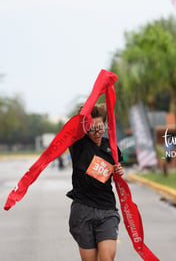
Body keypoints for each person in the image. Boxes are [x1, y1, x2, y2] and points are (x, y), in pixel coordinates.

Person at [67, 104, 125, 261]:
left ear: (105, 125)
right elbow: (73, 130)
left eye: (100, 127)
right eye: (91, 129)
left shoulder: (111, 148)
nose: (97, 133)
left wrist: (119, 171)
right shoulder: (79, 145)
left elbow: (116, 169)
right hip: (83, 210)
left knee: (107, 258)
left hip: (107, 210)